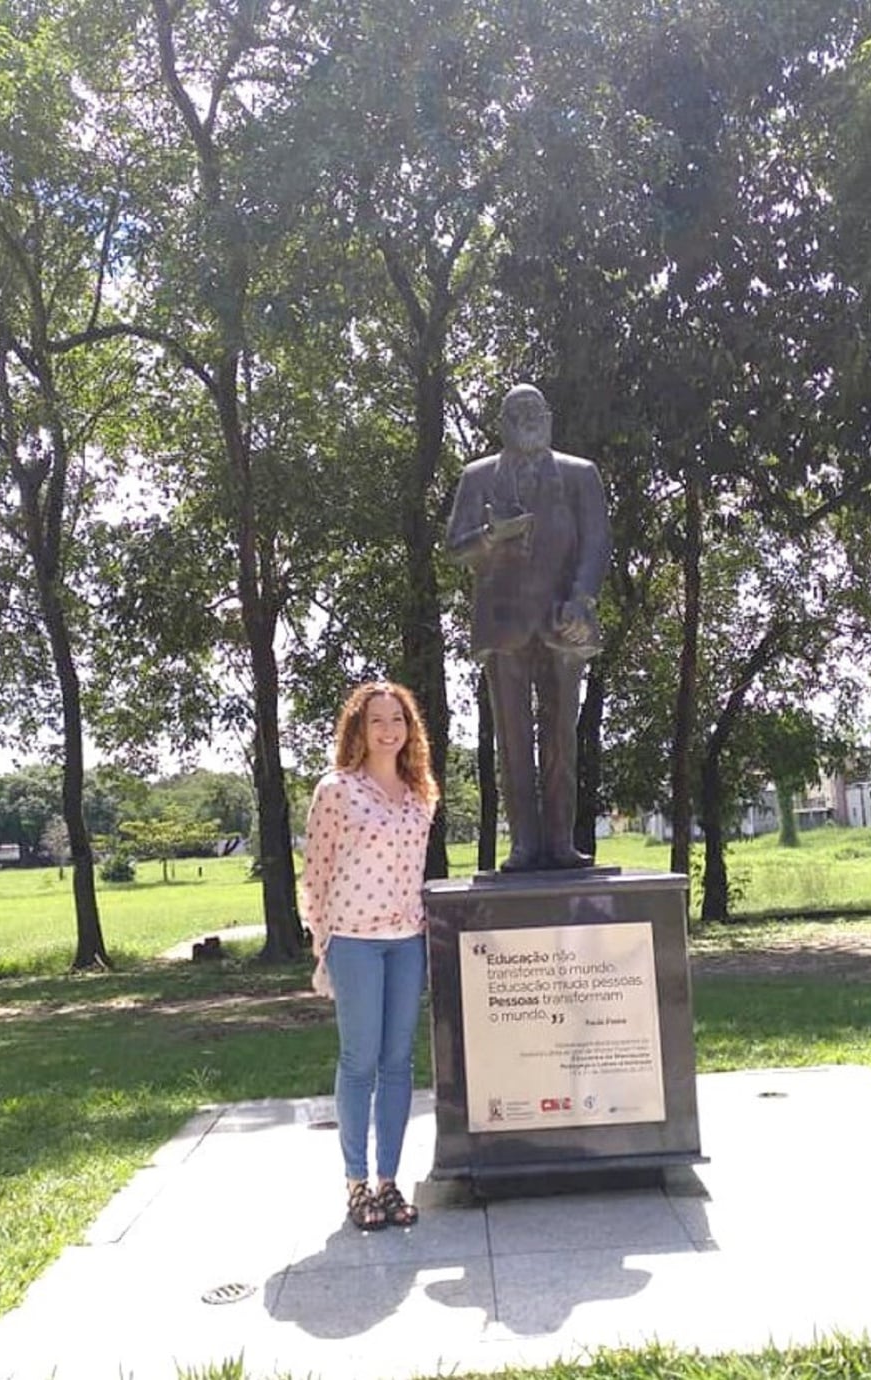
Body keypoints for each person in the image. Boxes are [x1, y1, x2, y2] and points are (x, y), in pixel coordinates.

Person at [446, 383, 610, 871]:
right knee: (513, 740)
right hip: (503, 626)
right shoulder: (477, 478)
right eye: (517, 412)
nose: (528, 419)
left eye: (535, 410)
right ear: (501, 421)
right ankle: (523, 844)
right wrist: (491, 536)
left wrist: (582, 600)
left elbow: (597, 542)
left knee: (561, 736)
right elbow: (457, 547)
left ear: (550, 415)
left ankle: (561, 841)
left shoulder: (581, 474)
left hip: (564, 622)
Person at [300, 681, 439, 1231]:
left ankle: (388, 1182)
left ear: (410, 730)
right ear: (358, 729)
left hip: (407, 940)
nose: (388, 730)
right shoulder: (335, 790)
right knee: (359, 1061)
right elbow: (316, 871)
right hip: (354, 940)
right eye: (376, 721)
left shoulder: (421, 792)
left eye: (397, 721)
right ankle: (356, 1185)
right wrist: (323, 942)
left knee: (399, 1061)